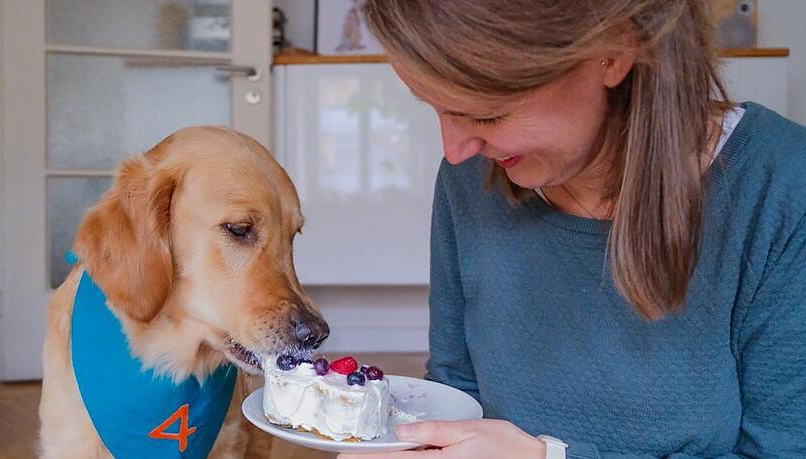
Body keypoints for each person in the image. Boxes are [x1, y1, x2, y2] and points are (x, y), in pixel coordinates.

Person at [340, 1, 806, 458]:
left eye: (488, 115)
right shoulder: (469, 178)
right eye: (436, 107)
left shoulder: (782, 188)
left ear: (614, 52)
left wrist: (548, 457)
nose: (455, 149)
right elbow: (455, 396)